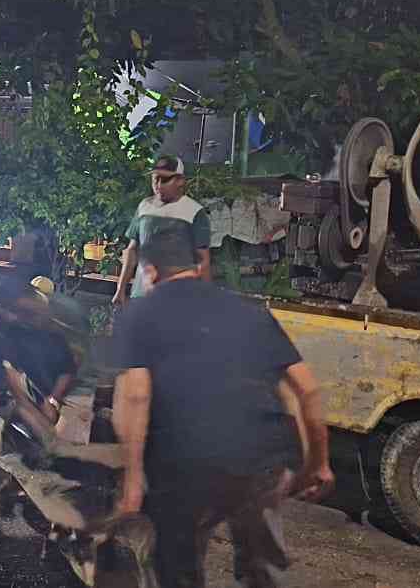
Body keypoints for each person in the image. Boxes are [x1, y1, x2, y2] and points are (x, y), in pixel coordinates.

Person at [108, 233, 332, 587]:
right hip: (263, 459)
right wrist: (318, 462)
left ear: (150, 271)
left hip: (184, 463)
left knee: (177, 568)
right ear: (199, 266)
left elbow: (135, 396)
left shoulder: (139, 315)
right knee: (263, 569)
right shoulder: (250, 311)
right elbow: (307, 390)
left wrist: (132, 478)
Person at [0, 275, 78, 506]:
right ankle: (20, 481)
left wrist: (52, 400)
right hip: (24, 385)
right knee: (12, 424)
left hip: (47, 389)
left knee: (20, 426)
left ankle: (38, 481)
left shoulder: (39, 328)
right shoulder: (19, 322)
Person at [113, 155, 211, 308]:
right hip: (142, 296)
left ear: (180, 181)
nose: (158, 185)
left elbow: (203, 261)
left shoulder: (194, 212)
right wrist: (120, 289)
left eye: (165, 180)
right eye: (155, 179)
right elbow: (132, 250)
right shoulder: (144, 207)